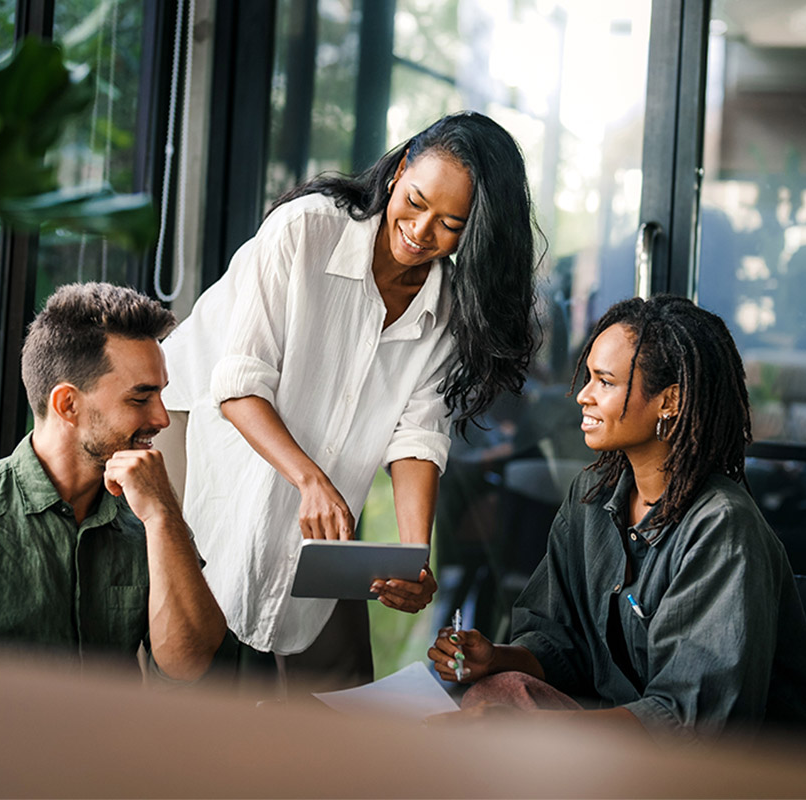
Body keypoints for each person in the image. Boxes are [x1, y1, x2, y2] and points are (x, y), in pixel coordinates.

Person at [160, 110, 537, 693]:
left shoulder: (450, 309)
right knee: (187, 635)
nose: (420, 230)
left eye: (450, 224)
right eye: (415, 201)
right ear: (400, 170)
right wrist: (309, 479)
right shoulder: (304, 230)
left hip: (320, 460)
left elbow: (418, 435)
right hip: (199, 424)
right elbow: (237, 384)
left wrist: (414, 556)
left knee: (331, 667)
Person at [428, 295, 806, 740]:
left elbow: (690, 720)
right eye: (589, 378)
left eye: (605, 381)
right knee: (499, 688)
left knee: (502, 719)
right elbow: (561, 641)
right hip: (628, 746)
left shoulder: (722, 528)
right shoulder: (591, 496)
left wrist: (538, 731)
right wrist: (500, 657)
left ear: (669, 401)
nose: (582, 395)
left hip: (731, 772)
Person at [0, 283, 237, 683]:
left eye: (160, 394)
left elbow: (189, 665)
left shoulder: (149, 523)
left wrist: (163, 515)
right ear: (68, 404)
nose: (162, 418)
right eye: (140, 398)